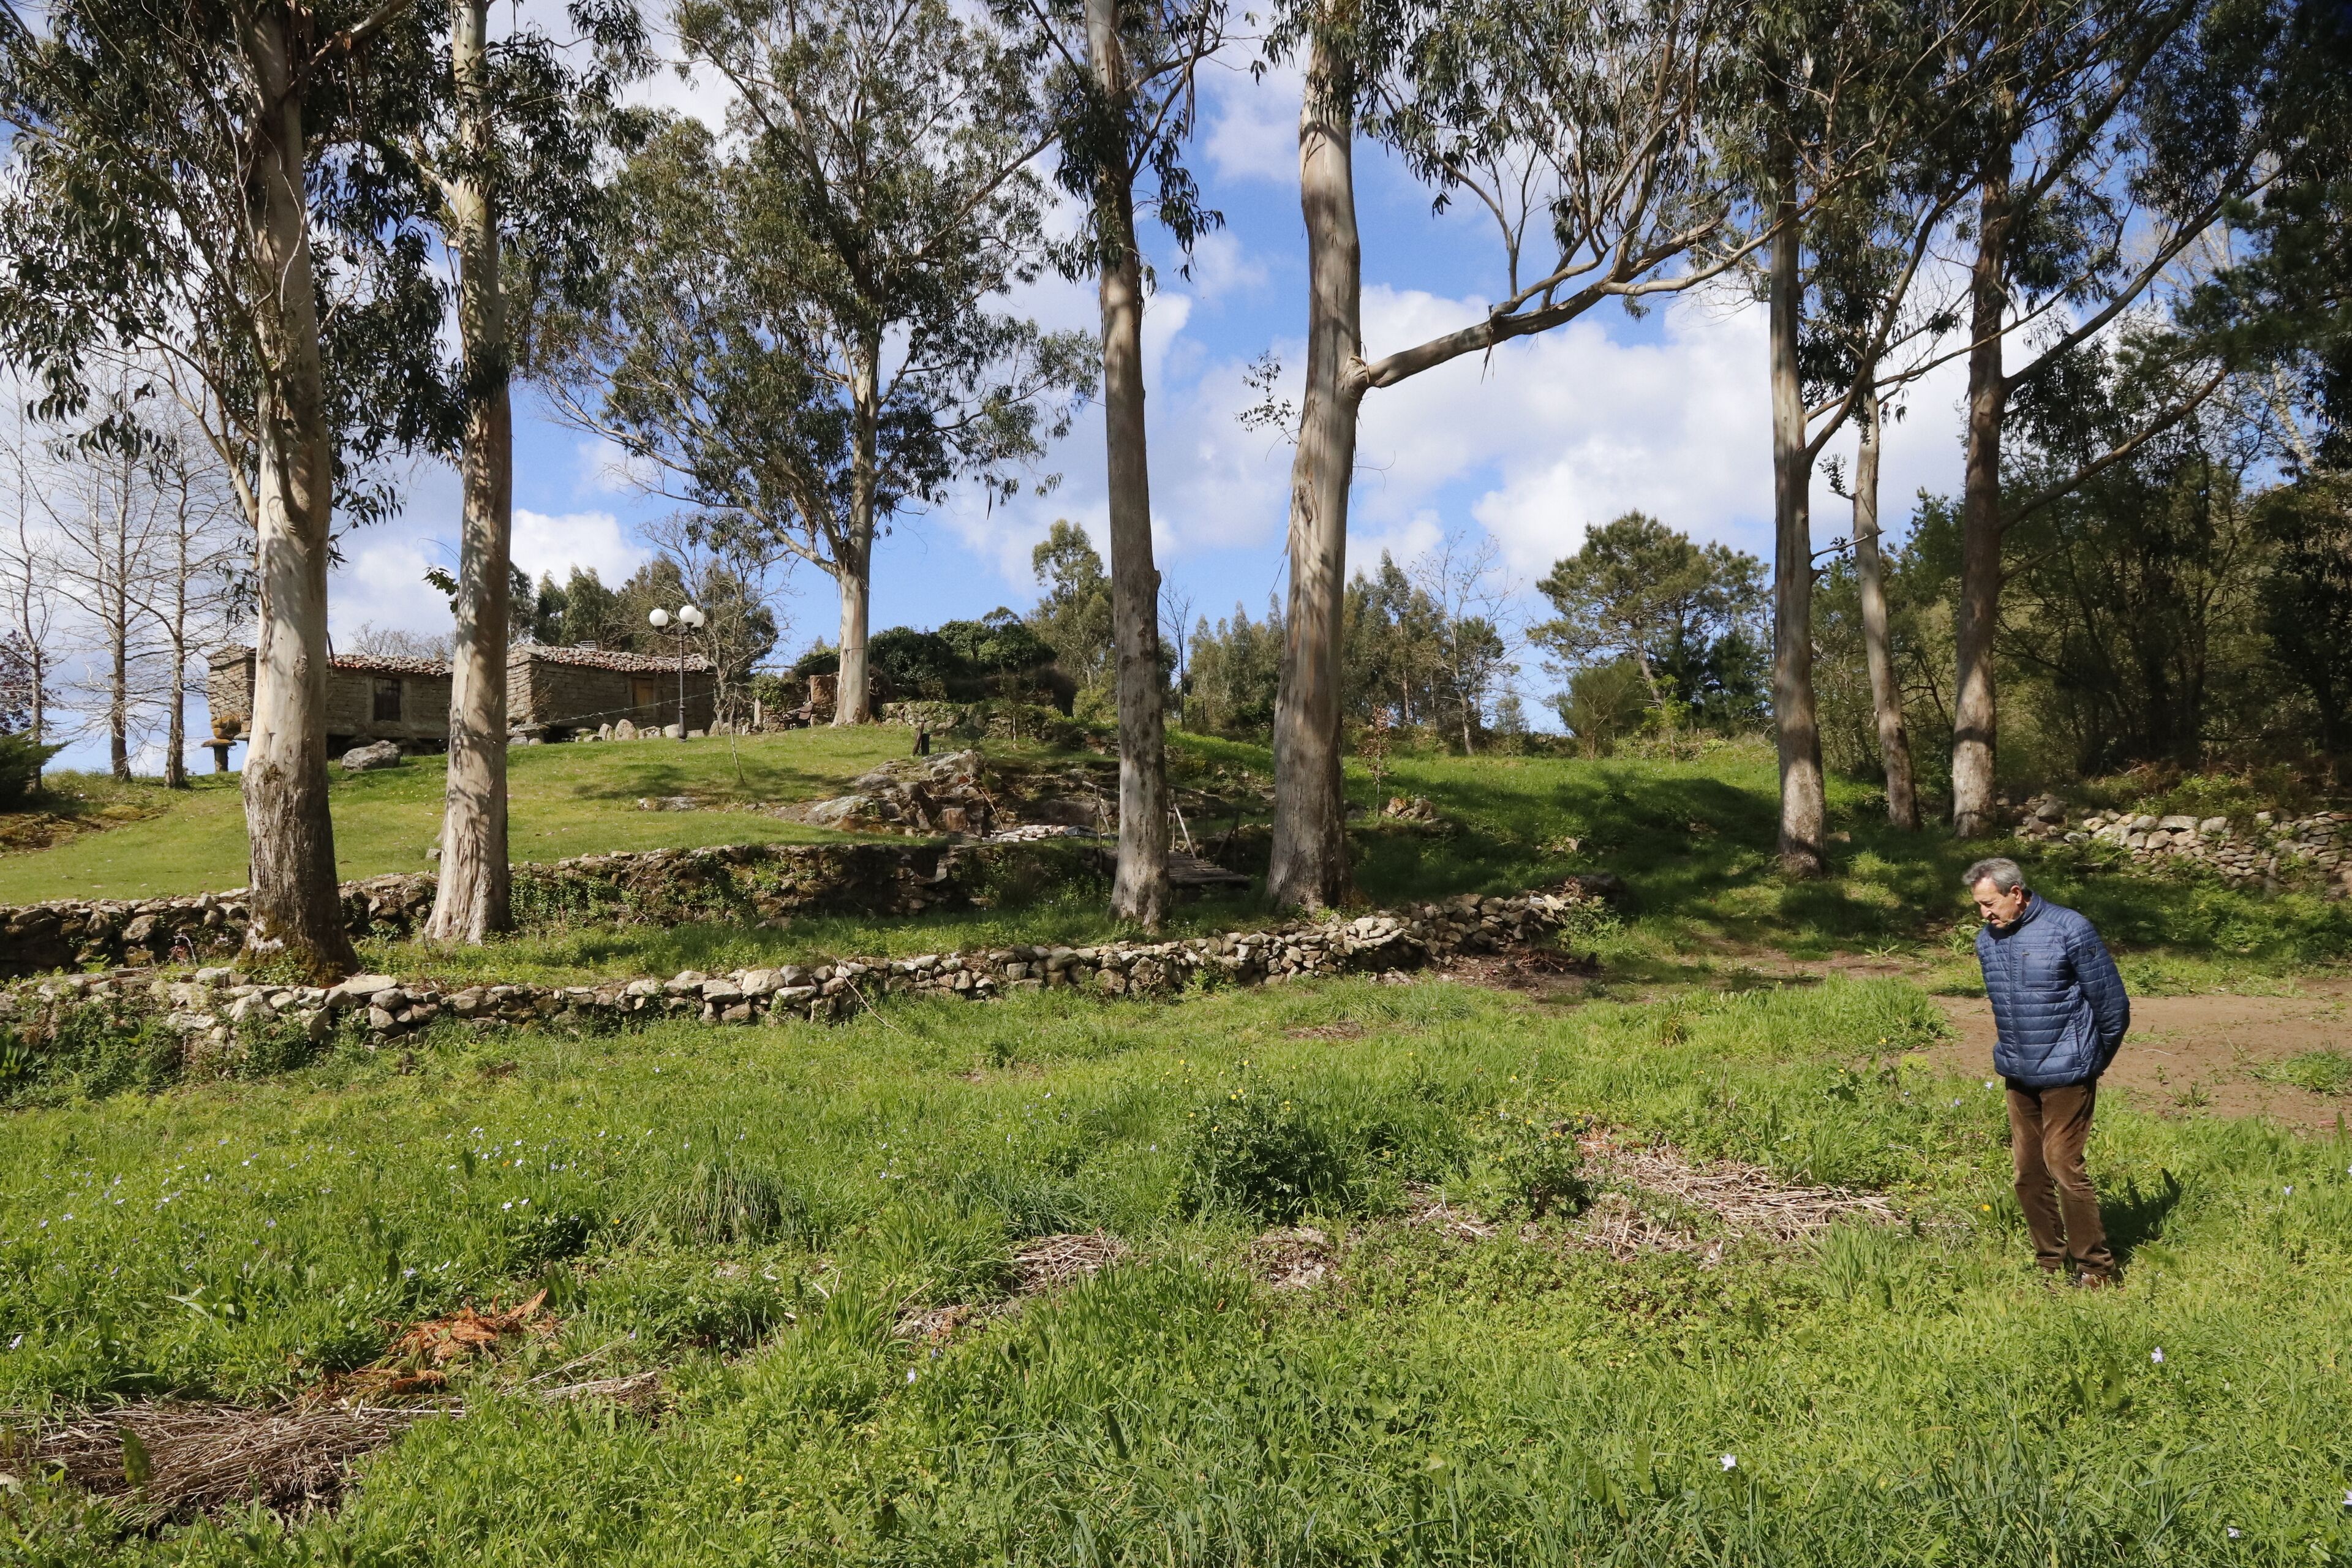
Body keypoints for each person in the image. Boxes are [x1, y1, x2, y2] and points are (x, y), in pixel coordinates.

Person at [1966, 856, 2130, 1284]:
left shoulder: (2069, 928)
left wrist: (2091, 1060)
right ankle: (2050, 1262)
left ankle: (2096, 1269)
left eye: (1990, 904)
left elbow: (2113, 1006)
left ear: (2016, 894)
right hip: (2018, 1073)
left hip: (2068, 1073)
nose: (1984, 914)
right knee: (2027, 1173)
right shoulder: (1989, 939)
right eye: (1979, 906)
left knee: (2063, 1166)